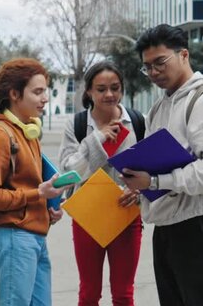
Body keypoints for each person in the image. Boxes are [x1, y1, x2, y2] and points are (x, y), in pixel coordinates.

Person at [0, 59, 67, 306]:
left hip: (35, 236)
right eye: (37, 91)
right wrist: (38, 194)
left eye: (46, 91)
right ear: (14, 94)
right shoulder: (0, 135)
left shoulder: (27, 131)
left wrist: (48, 205)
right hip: (13, 236)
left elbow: (23, 185)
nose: (45, 98)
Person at [121, 24, 203, 306]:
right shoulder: (158, 108)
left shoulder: (200, 100)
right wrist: (140, 187)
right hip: (165, 227)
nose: (154, 72)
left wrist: (154, 182)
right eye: (147, 67)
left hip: (195, 226)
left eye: (160, 63)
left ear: (183, 55)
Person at [58, 61, 143, 306]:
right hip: (87, 217)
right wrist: (97, 139)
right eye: (101, 89)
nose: (109, 94)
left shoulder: (137, 122)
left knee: (124, 294)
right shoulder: (77, 125)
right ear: (89, 92)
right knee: (89, 293)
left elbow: (152, 167)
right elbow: (68, 173)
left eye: (115, 88)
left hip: (126, 215)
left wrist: (137, 190)